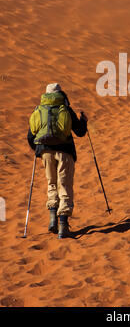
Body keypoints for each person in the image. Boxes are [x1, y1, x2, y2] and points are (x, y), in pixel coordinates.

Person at [27, 83, 88, 239]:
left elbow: (31, 137)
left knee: (52, 183)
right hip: (65, 152)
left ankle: (53, 218)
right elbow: (80, 132)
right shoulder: (65, 109)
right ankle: (63, 226)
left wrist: (39, 151)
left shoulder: (39, 110)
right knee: (65, 185)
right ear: (61, 93)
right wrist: (83, 121)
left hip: (45, 152)